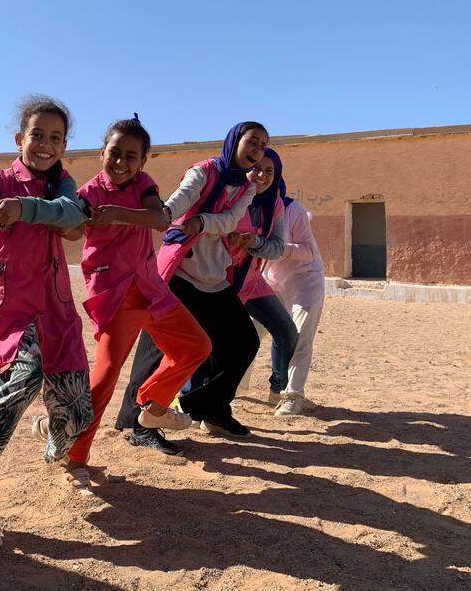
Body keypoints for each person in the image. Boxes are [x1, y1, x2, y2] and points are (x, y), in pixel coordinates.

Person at [0, 95, 93, 551]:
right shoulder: (2, 180)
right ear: (19, 139)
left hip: (58, 312)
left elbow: (74, 216)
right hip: (15, 312)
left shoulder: (62, 185)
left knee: (76, 414)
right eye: (37, 135)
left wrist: (25, 209)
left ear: (63, 146)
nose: (45, 144)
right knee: (20, 382)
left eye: (55, 137)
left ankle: (51, 429)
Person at [48, 115, 210, 491]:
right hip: (116, 295)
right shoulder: (89, 193)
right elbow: (72, 230)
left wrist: (118, 215)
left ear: (142, 161)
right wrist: (61, 218)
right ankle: (75, 456)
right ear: (102, 152)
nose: (121, 162)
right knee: (105, 375)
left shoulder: (143, 185)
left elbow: (158, 219)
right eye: (115, 152)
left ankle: (152, 404)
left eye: (131, 156)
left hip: (151, 290)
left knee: (196, 346)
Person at [115, 121, 267, 449]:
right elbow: (183, 198)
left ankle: (208, 408)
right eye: (252, 142)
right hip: (179, 273)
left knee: (243, 343)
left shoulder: (247, 186)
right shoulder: (204, 171)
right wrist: (166, 213)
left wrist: (203, 222)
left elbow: (229, 221)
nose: (257, 150)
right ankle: (138, 424)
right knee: (155, 352)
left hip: (214, 278)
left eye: (262, 146)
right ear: (235, 141)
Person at [228, 148, 298, 399]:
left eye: (270, 171)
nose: (262, 175)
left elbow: (277, 248)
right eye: (256, 168)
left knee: (286, 331)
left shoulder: (274, 203)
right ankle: (193, 399)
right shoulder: (230, 196)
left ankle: (277, 389)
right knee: (217, 341)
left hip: (252, 280)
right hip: (219, 281)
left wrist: (253, 241)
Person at [262, 187, 325, 416]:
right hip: (269, 279)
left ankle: (293, 396)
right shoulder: (248, 208)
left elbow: (308, 250)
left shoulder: (293, 210)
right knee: (247, 331)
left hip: (305, 281)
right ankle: (236, 387)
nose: (261, 177)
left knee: (300, 338)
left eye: (269, 172)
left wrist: (276, 250)